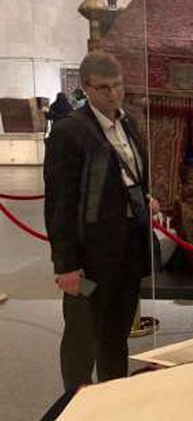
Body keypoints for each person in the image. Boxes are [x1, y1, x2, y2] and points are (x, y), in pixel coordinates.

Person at [44, 51, 153, 390]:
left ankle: (112, 398)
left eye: (117, 85)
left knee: (116, 335)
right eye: (103, 87)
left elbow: (131, 177)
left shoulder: (129, 123)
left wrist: (144, 199)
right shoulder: (69, 132)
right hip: (89, 257)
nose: (112, 94)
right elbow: (59, 204)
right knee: (82, 339)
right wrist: (66, 264)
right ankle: (75, 405)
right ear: (86, 88)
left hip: (127, 250)